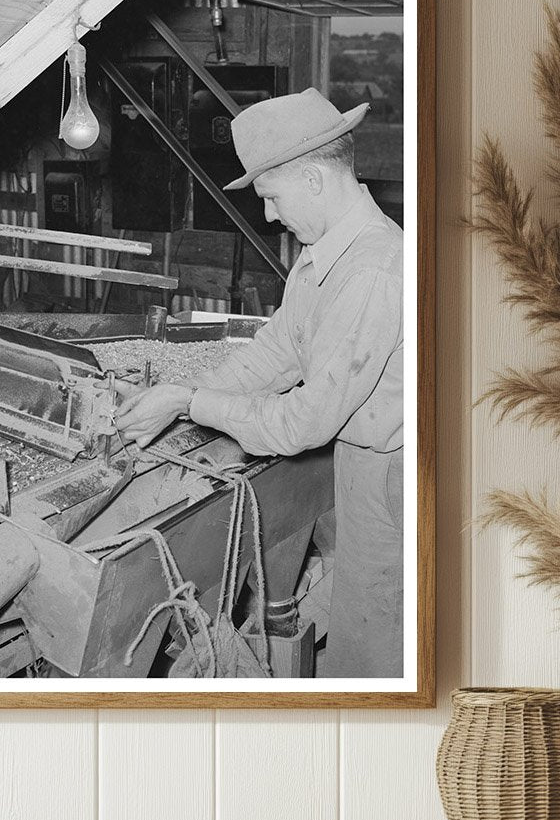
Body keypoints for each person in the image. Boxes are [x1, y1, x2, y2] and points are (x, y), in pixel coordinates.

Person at [114, 87, 404, 678]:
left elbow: (303, 423)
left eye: (272, 196)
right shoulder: (325, 248)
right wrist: (181, 406)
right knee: (355, 603)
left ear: (315, 180)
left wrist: (194, 401)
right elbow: (278, 349)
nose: (269, 215)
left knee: (378, 642)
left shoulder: (374, 269)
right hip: (360, 464)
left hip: (396, 477)